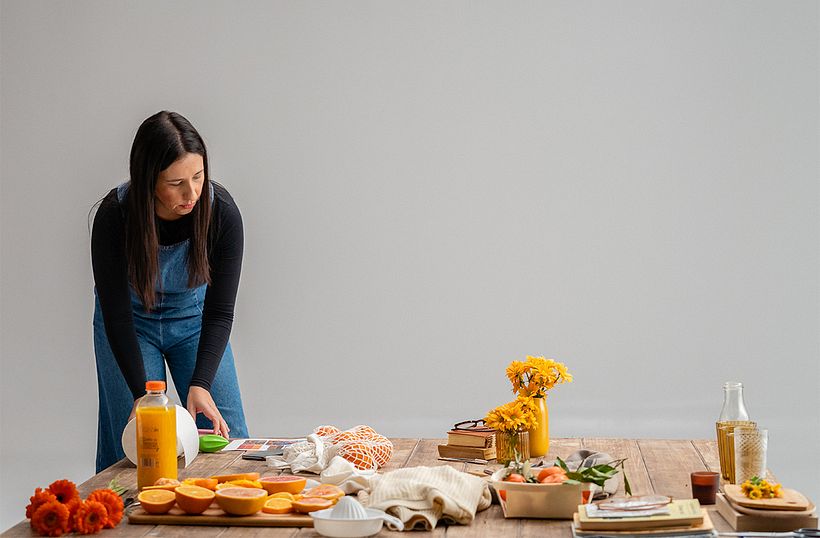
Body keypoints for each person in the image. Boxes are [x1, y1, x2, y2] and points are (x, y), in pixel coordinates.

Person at [91, 111, 249, 472]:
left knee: (229, 440)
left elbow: (221, 311)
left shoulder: (222, 213)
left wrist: (201, 383)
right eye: (176, 182)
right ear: (148, 181)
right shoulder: (115, 216)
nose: (191, 192)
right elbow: (115, 315)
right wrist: (140, 393)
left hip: (195, 322)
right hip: (130, 326)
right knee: (133, 448)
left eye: (198, 176)